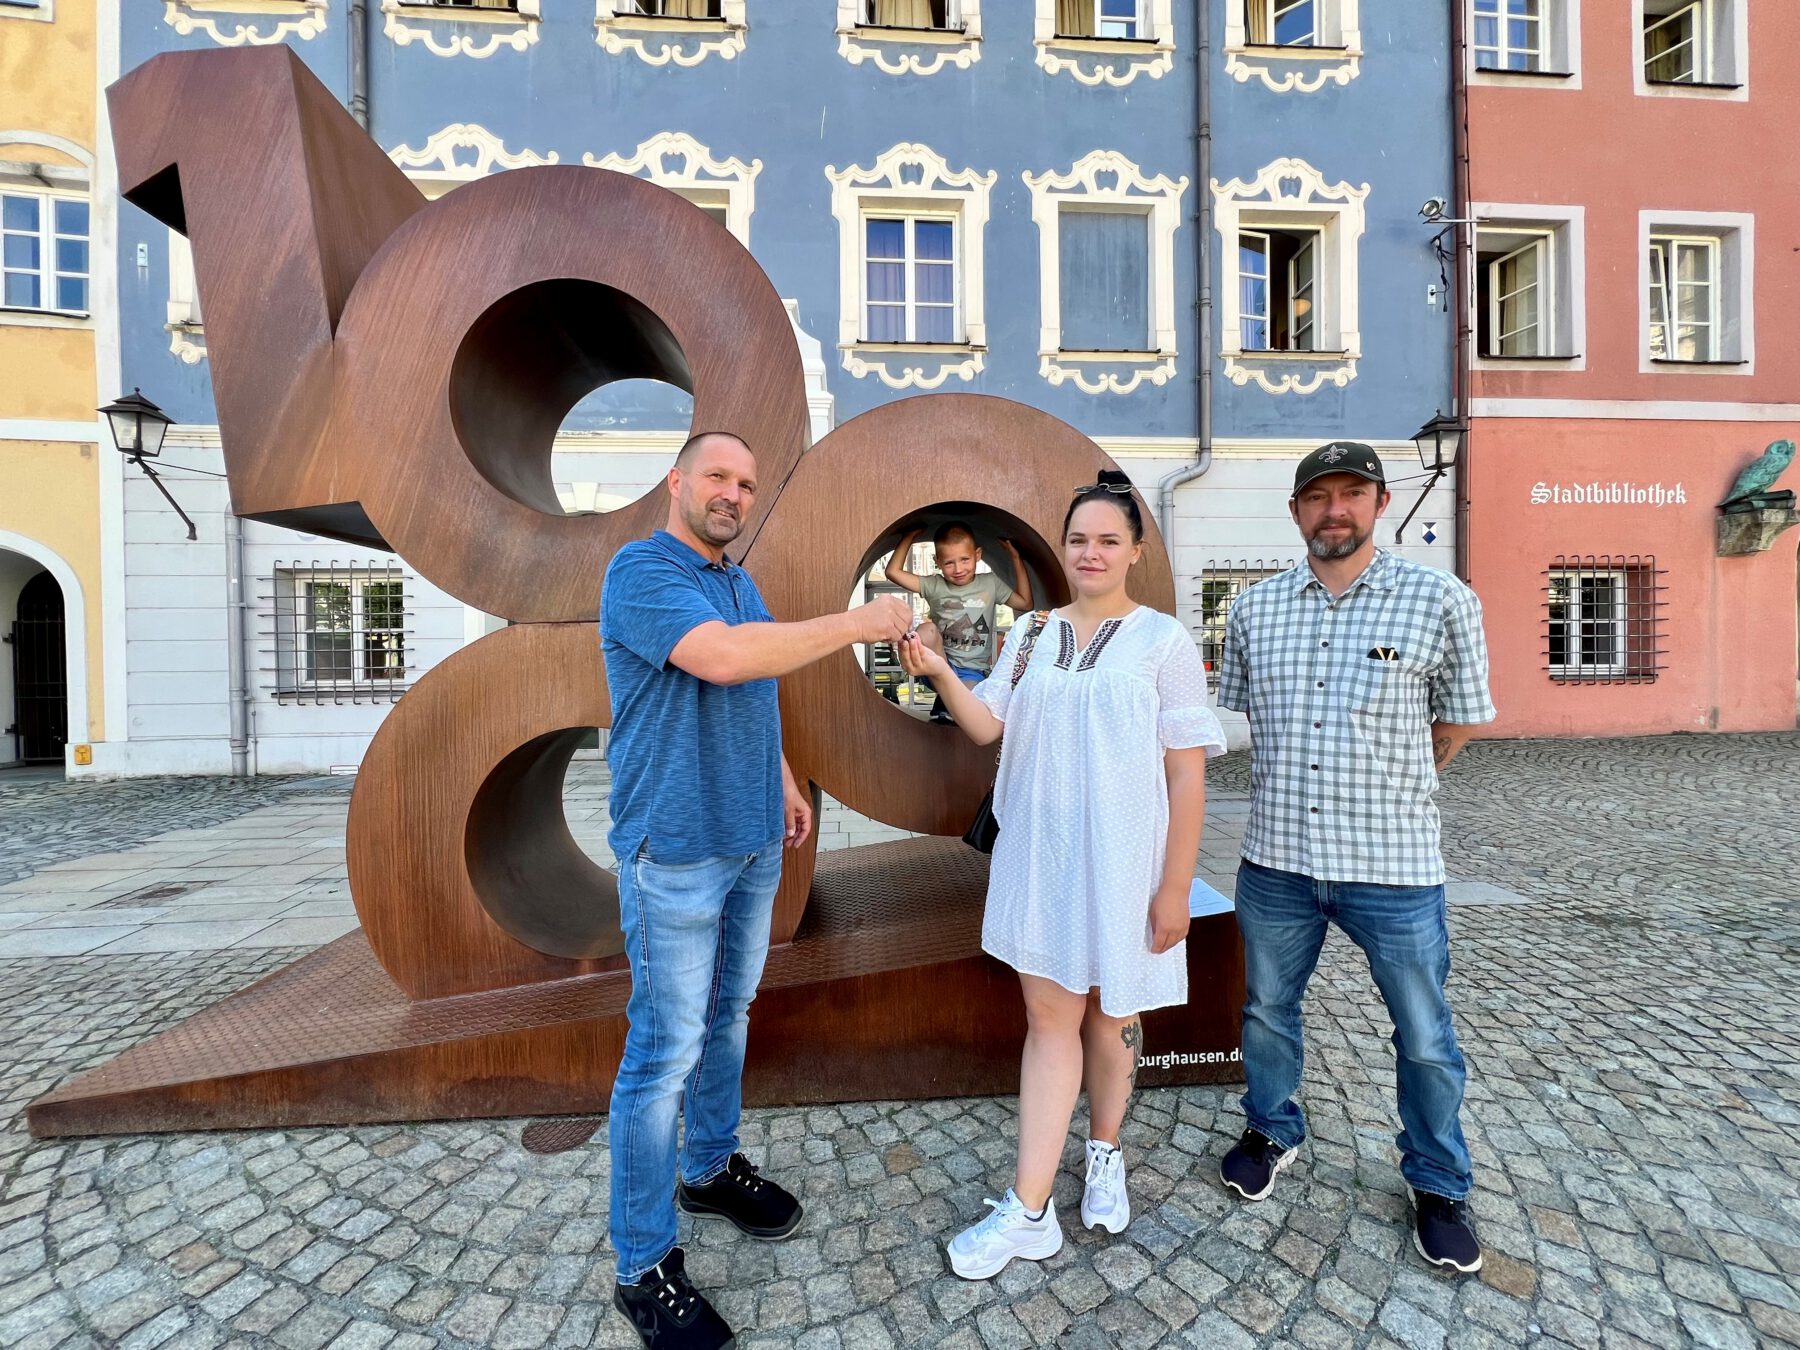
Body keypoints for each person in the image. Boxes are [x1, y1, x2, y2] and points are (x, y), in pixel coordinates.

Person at [600, 430, 912, 1350]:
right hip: (677, 852)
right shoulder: (641, 570)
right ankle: (642, 1265)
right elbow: (725, 659)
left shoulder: (738, 582)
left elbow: (751, 683)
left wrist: (779, 775)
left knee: (729, 1018)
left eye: (745, 480)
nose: (733, 492)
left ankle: (708, 1167)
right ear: (678, 481)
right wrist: (859, 624)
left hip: (747, 844)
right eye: (717, 477)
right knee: (662, 1053)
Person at [898, 469, 1226, 1279]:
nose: (1091, 552)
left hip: (1125, 863)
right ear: (1062, 547)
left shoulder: (1163, 642)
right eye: (1079, 539)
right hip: (1039, 856)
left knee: (1114, 1016)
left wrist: (1176, 887)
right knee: (1050, 1023)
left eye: (1108, 540)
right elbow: (985, 728)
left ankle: (1106, 1149)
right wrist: (939, 670)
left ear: (1135, 551)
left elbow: (1187, 775)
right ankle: (1031, 1210)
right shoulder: (1033, 635)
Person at [1215, 440, 1496, 1275]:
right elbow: (1233, 722)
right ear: (1296, 511)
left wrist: (1393, 785)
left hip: (1395, 869)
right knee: (1266, 1012)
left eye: (1352, 493)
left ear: (1378, 504)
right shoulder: (1255, 610)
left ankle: (1439, 1182)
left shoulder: (1441, 600)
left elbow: (1458, 723)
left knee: (1423, 1035)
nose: (1334, 509)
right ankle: (1272, 1128)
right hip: (1277, 861)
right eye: (1318, 496)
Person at [885, 523, 1031, 720]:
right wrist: (909, 537)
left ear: (977, 555)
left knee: (969, 706)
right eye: (949, 563)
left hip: (971, 672)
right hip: (938, 664)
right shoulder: (935, 585)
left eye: (965, 559)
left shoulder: (990, 583)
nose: (958, 569)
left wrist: (1015, 558)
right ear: (937, 562)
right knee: (926, 629)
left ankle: (945, 704)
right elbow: (893, 572)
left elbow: (1025, 603)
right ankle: (946, 700)